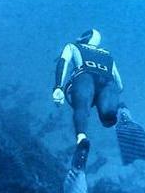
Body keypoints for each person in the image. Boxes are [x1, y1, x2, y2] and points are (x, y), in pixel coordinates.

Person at [52, 28, 126, 171]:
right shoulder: (107, 54)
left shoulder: (73, 46)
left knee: (82, 108)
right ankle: (119, 111)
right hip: (108, 84)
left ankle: (81, 138)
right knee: (107, 119)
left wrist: (58, 87)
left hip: (84, 77)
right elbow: (120, 85)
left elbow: (63, 62)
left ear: (85, 38)